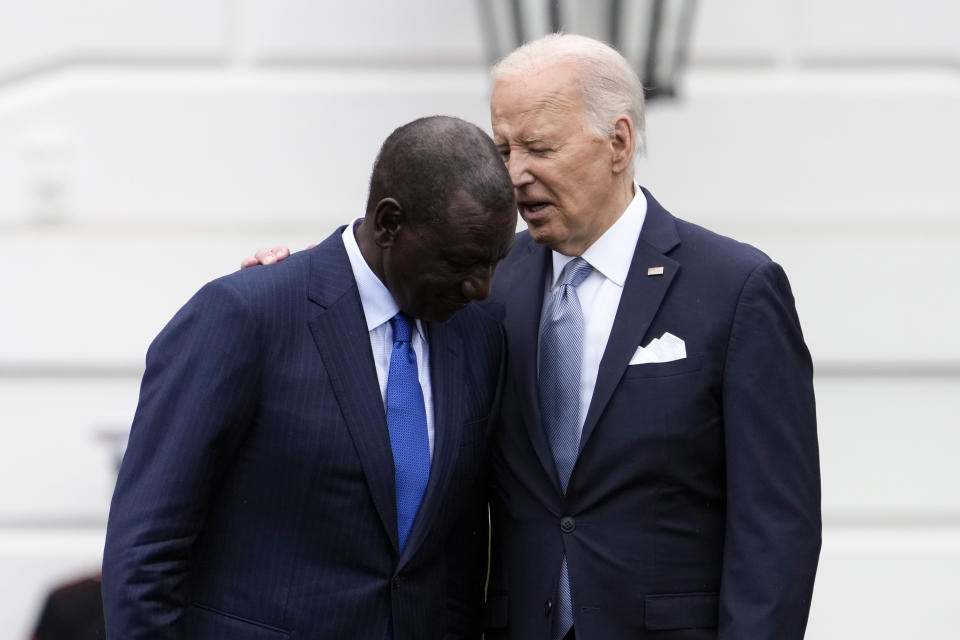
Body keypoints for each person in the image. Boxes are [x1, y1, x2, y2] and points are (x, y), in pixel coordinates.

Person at [247, 33, 821, 640]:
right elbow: (376, 291)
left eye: (540, 148)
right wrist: (297, 279)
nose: (515, 175)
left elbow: (776, 527)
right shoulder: (481, 290)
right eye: (503, 149)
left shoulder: (735, 289)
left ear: (618, 143)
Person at [102, 115, 517, 640]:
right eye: (461, 262)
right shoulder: (246, 316)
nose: (480, 287)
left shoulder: (479, 335)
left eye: (494, 263)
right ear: (389, 223)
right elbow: (144, 552)